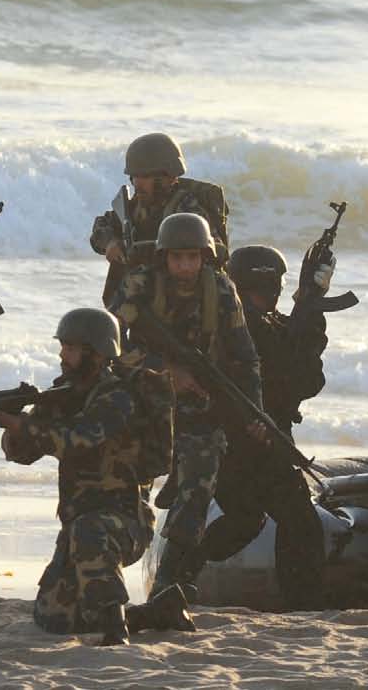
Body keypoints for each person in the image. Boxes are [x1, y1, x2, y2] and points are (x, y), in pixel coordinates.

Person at [0, 308, 184, 646]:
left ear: (96, 353)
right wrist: (10, 418)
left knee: (90, 530)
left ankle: (116, 626)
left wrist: (7, 421)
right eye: (63, 346)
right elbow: (22, 454)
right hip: (79, 524)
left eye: (71, 348)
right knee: (54, 617)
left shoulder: (118, 397)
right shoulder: (64, 394)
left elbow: (79, 440)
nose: (62, 355)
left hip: (124, 520)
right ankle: (158, 613)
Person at [108, 211, 262, 591]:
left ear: (205, 256)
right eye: (177, 257)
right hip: (141, 398)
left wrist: (254, 411)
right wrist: (163, 369)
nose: (186, 266)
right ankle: (103, 572)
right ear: (164, 257)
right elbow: (109, 349)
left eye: (193, 257)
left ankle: (171, 578)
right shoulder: (140, 284)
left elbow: (246, 357)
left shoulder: (222, 290)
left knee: (199, 486)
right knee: (123, 488)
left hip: (197, 405)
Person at [200, 244, 331, 609]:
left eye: (272, 290)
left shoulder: (272, 325)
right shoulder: (238, 330)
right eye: (259, 291)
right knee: (278, 519)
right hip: (236, 444)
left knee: (266, 519)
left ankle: (304, 603)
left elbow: (308, 379)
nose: (268, 298)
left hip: (265, 441)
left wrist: (310, 307)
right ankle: (303, 602)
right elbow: (290, 376)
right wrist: (309, 310)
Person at [91, 132, 230, 304]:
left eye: (145, 176)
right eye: (135, 176)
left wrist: (161, 252)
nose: (137, 183)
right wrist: (110, 242)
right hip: (140, 297)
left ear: (167, 178)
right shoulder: (135, 207)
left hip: (185, 297)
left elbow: (219, 251)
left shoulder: (186, 208)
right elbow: (100, 228)